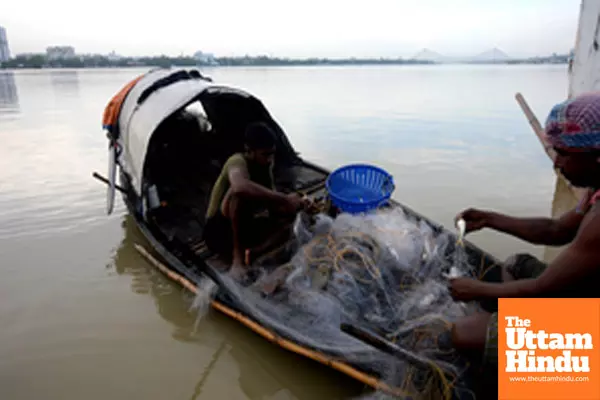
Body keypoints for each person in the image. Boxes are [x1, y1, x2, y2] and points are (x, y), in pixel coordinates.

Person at [448, 92, 600, 374]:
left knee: (465, 333)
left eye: (565, 154)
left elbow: (542, 288)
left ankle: (562, 376)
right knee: (515, 264)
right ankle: (529, 348)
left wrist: (475, 289)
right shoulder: (595, 188)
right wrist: (489, 219)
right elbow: (557, 229)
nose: (557, 164)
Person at [203, 121, 309, 270]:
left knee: (290, 225)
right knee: (237, 194)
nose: (269, 159)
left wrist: (294, 204)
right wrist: (284, 199)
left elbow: (273, 205)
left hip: (244, 226)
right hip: (217, 231)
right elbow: (239, 186)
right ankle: (237, 258)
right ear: (249, 150)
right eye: (265, 154)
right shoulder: (237, 161)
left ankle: (253, 252)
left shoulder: (266, 167)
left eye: (272, 154)